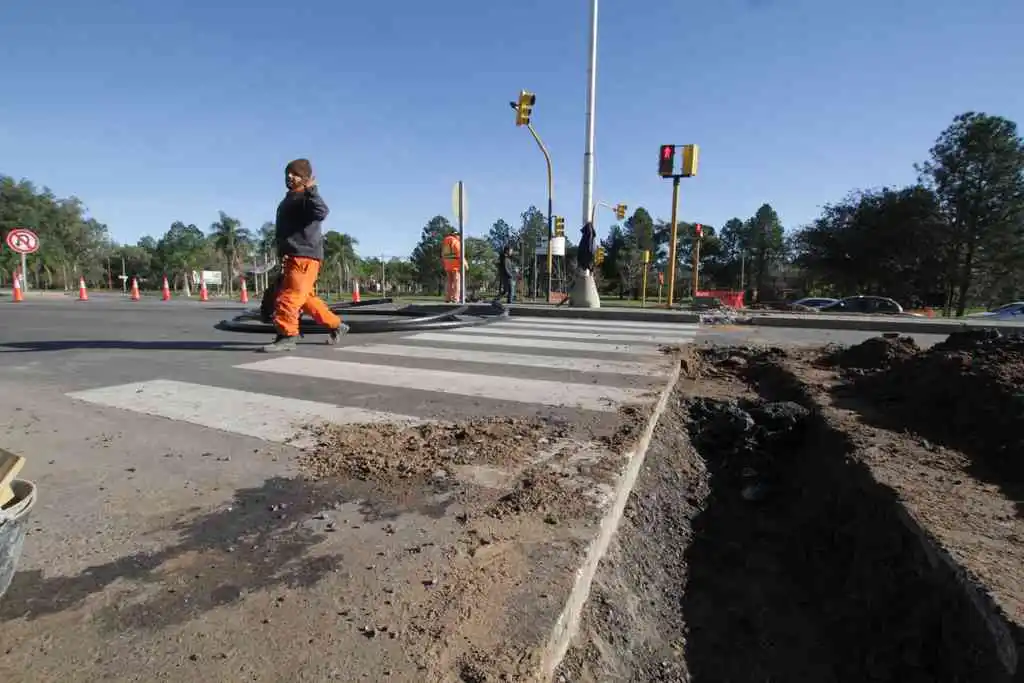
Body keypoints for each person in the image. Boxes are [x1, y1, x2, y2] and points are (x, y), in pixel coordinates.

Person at [262, 158, 349, 353]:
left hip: (304, 257)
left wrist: (312, 190)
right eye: (288, 173)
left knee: (289, 298)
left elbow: (321, 211)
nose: (290, 177)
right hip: (292, 257)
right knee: (307, 301)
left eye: (295, 174)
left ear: (305, 178)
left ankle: (287, 336)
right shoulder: (290, 198)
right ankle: (337, 325)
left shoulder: (305, 197)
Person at [441, 233, 461, 303]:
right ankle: (456, 298)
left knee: (449, 282)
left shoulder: (445, 242)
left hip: (447, 264)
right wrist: (465, 264)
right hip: (455, 264)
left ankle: (448, 298)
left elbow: (443, 254)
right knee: (456, 281)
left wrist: (445, 263)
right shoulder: (456, 242)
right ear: (456, 236)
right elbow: (459, 253)